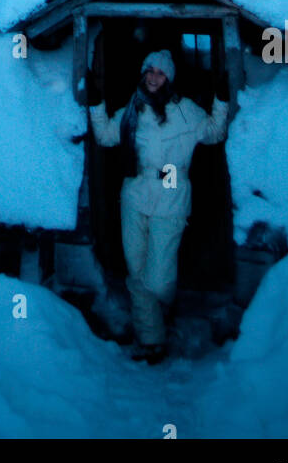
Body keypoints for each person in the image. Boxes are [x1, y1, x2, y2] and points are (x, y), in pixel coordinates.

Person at [87, 48, 229, 363]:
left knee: (158, 279)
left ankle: (166, 306)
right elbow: (107, 136)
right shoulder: (133, 110)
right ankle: (151, 340)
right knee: (136, 274)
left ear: (170, 77)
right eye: (149, 71)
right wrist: (95, 102)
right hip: (135, 193)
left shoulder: (185, 111)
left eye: (160, 72)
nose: (153, 78)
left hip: (171, 191)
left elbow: (215, 132)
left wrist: (221, 98)